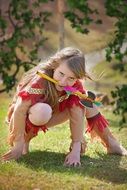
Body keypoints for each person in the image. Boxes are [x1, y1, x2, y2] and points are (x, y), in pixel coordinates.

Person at [2, 47, 127, 166]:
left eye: (71, 78)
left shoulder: (75, 86)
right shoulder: (39, 81)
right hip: (25, 117)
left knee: (86, 101)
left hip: (52, 113)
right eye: (61, 74)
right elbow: (19, 109)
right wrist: (18, 143)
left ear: (77, 78)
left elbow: (77, 113)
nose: (63, 82)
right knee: (42, 110)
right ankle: (25, 138)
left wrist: (76, 148)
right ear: (54, 67)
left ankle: (110, 143)